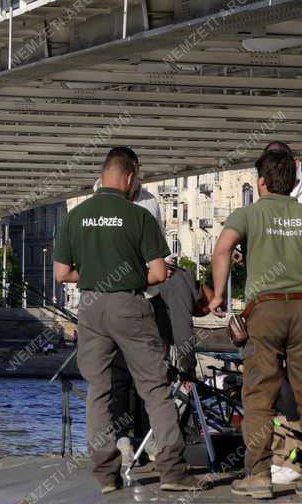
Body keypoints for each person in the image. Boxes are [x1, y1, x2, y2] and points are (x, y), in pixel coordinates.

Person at [54, 147, 207, 494]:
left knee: (99, 390)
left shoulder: (77, 216)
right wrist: (128, 275)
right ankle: (172, 472)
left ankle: (106, 476)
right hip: (130, 305)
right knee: (154, 387)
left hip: (91, 306)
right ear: (130, 176)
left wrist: (95, 273)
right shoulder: (138, 216)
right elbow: (157, 273)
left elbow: (62, 273)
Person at [209, 149, 302, 499]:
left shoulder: (248, 214)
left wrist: (218, 294)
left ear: (262, 182)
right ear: (294, 181)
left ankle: (259, 477)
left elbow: (222, 249)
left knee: (259, 398)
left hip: (264, 312)